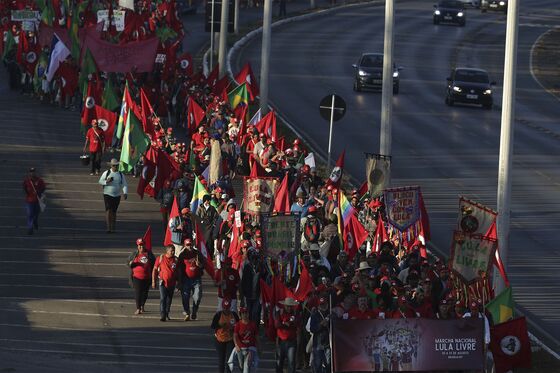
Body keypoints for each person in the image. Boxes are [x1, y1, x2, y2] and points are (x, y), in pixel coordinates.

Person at [177, 238, 204, 321]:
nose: (190, 246)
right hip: (186, 279)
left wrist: (199, 265)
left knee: (197, 297)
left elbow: (203, 266)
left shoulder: (197, 253)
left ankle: (194, 311)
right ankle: (187, 312)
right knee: (185, 297)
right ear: (185, 246)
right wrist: (179, 282)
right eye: (188, 245)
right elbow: (179, 269)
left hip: (196, 279)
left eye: (190, 244)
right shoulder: (182, 255)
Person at [98, 158, 128, 233]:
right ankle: (108, 228)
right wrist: (106, 181)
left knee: (114, 212)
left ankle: (113, 227)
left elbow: (124, 184)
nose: (115, 167)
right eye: (113, 165)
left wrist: (125, 193)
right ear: (111, 166)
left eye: (116, 165)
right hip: (107, 194)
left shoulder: (121, 174)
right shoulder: (106, 173)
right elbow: (100, 181)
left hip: (117, 195)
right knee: (108, 210)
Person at [128, 238, 155, 315]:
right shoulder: (134, 254)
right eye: (140, 245)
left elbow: (154, 263)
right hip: (137, 277)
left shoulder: (149, 253)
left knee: (145, 293)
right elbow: (128, 263)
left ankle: (142, 305)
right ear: (137, 246)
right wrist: (131, 263)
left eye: (142, 245)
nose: (141, 247)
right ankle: (138, 308)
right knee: (138, 293)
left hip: (147, 277)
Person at [212, 298, 239, 373]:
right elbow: (213, 326)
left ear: (230, 307)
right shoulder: (218, 315)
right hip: (219, 339)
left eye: (227, 308)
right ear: (222, 307)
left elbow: (239, 326)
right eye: (224, 308)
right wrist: (220, 326)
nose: (226, 310)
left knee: (229, 360)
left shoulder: (234, 315)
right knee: (221, 360)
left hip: (230, 339)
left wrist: (233, 328)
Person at [275, 297, 301, 373]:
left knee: (291, 362)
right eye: (287, 306)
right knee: (279, 363)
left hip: (292, 341)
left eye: (290, 306)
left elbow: (297, 323)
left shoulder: (296, 313)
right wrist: (286, 324)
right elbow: (277, 325)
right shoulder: (279, 313)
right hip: (281, 341)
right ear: (284, 305)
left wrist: (287, 324)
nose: (289, 308)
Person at [152, 245, 178, 322]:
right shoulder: (160, 258)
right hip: (162, 282)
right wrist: (153, 281)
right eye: (171, 250)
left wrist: (179, 282)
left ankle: (167, 313)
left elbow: (179, 271)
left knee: (169, 299)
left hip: (172, 283)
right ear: (167, 251)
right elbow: (155, 270)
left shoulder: (176, 259)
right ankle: (162, 315)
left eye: (174, 250)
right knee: (163, 298)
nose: (173, 252)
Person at [233, 306, 259, 373]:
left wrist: (259, 347)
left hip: (250, 348)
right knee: (241, 365)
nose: (245, 314)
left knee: (247, 365)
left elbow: (256, 337)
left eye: (246, 313)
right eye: (243, 313)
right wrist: (236, 345)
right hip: (240, 348)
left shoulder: (253, 324)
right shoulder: (238, 324)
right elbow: (235, 336)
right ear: (240, 315)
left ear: (248, 314)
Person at [22, 167, 46, 235]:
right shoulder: (27, 181)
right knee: (30, 214)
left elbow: (43, 188)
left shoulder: (40, 180)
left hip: (38, 200)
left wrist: (38, 192)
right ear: (29, 173)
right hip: (29, 201)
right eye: (31, 172)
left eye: (34, 171)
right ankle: (30, 228)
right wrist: (27, 192)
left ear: (36, 172)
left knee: (36, 214)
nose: (32, 173)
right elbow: (24, 187)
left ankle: (35, 222)